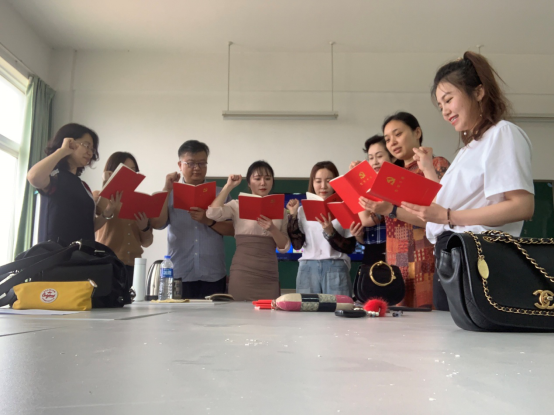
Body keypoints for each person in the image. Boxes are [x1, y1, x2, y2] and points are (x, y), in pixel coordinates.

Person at [401, 52, 535, 311]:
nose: (444, 111)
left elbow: (522, 206)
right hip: (452, 255)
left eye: (448, 99)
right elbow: (445, 204)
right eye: (440, 106)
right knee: (446, 330)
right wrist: (428, 169)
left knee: (460, 333)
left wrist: (448, 216)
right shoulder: (468, 149)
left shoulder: (503, 133)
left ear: (479, 92)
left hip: (476, 258)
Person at [359, 113, 451, 308]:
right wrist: (359, 182)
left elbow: (440, 217)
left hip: (427, 256)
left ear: (417, 132)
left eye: (398, 134)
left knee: (429, 316)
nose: (392, 142)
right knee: (400, 319)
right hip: (397, 260)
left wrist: (391, 210)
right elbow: (369, 218)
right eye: (387, 139)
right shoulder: (390, 175)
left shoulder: (436, 164)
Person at [150, 141, 234, 300]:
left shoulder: (220, 194)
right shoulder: (169, 194)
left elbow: (233, 230)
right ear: (180, 165)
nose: (197, 168)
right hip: (180, 272)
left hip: (213, 272)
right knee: (179, 316)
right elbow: (157, 224)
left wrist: (208, 220)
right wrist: (167, 189)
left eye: (202, 163)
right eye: (191, 163)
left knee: (215, 316)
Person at [207, 161, 291, 302]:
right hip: (242, 272)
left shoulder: (281, 211)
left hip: (269, 274)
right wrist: (228, 186)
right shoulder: (237, 205)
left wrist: (272, 229)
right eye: (257, 178)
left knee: (270, 314)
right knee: (239, 313)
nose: (263, 183)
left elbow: (284, 247)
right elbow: (212, 214)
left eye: (267, 178)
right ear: (249, 182)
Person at [27, 123, 120, 246]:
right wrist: (62, 151)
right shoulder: (56, 175)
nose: (90, 153)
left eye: (92, 149)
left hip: (81, 254)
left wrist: (108, 211)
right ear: (69, 142)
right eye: (86, 145)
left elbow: (89, 227)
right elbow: (34, 177)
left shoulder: (83, 186)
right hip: (57, 254)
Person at [286, 161, 363, 296]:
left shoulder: (345, 208)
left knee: (338, 308)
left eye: (328, 181)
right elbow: (297, 245)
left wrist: (331, 232)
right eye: (318, 181)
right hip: (307, 268)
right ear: (312, 183)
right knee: (306, 309)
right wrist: (293, 216)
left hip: (336, 266)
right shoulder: (302, 210)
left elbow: (350, 247)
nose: (323, 186)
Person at [94, 152, 154, 286]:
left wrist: (144, 227)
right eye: (125, 170)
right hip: (107, 263)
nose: (130, 175)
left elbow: (147, 243)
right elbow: (97, 212)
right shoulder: (97, 195)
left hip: (134, 266)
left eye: (133, 171)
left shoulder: (140, 201)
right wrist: (106, 185)